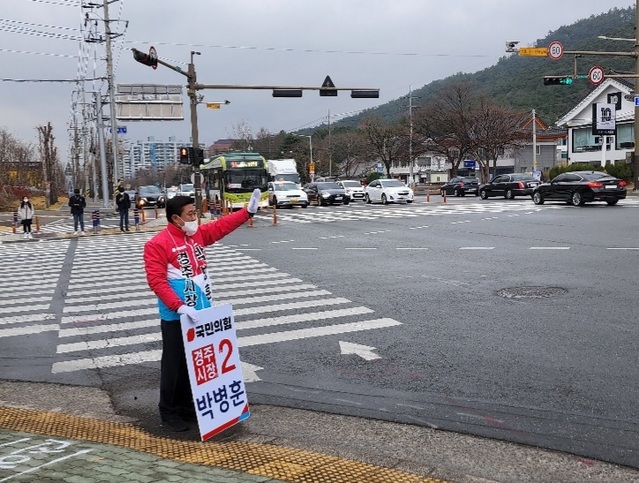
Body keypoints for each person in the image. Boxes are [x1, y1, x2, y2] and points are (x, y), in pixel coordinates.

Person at [143, 188, 261, 432]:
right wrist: (179, 306)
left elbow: (221, 226)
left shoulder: (196, 236)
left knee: (195, 363)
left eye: (195, 213)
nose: (195, 218)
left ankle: (189, 408)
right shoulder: (157, 244)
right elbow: (156, 281)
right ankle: (169, 412)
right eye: (190, 214)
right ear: (176, 218)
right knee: (174, 366)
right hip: (177, 315)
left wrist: (247, 212)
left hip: (202, 311)